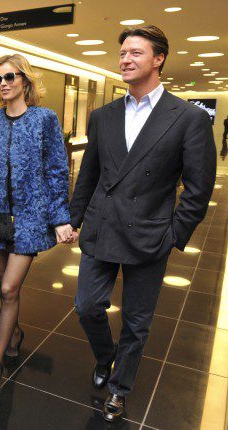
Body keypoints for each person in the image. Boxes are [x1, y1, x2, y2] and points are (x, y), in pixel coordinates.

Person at [69, 26, 216, 422]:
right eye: (122, 54)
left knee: (136, 321)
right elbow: (90, 175)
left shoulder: (188, 117)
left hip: (150, 233)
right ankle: (106, 356)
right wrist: (73, 218)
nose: (125, 59)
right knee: (86, 306)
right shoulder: (103, 116)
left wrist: (174, 234)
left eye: (135, 52)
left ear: (159, 59)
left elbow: (198, 187)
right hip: (102, 226)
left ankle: (120, 388)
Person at [0, 54, 74, 398]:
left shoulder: (44, 119)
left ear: (25, 81)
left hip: (31, 218)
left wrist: (60, 218)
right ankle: (14, 334)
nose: (3, 83)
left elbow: (57, 171)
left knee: (8, 289)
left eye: (10, 77)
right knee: (5, 286)